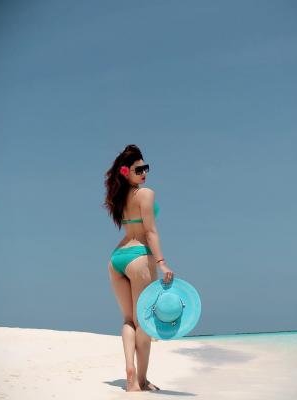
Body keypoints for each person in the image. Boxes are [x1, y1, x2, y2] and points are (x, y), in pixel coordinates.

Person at [103, 144, 174, 392]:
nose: (144, 173)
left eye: (146, 168)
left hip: (117, 258)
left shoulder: (118, 198)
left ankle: (129, 370)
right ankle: (140, 380)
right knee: (143, 322)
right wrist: (162, 263)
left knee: (127, 320)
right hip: (139, 256)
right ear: (126, 172)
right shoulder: (146, 194)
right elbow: (151, 232)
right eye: (138, 169)